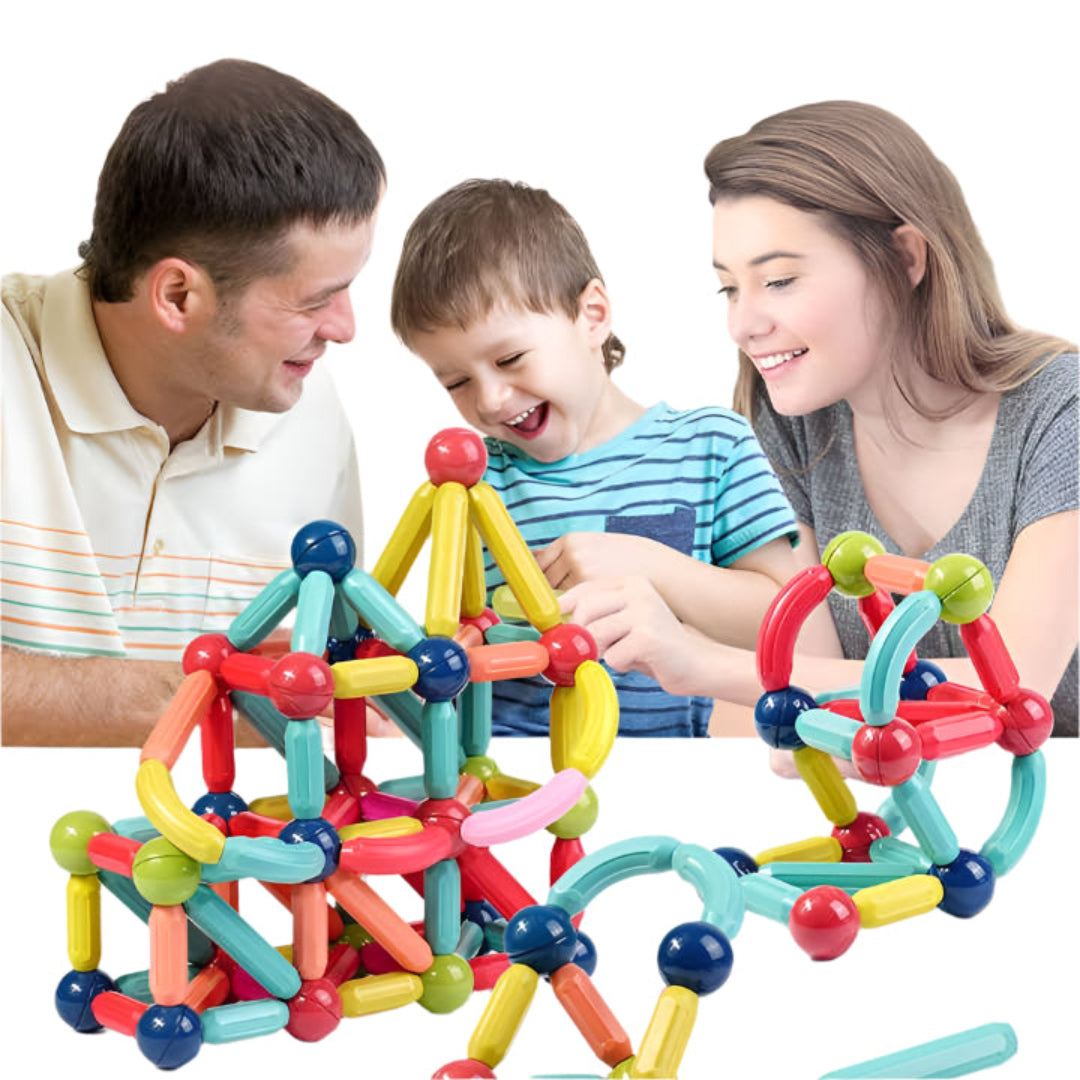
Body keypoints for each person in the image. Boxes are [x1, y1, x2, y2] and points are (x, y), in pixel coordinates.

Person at [561, 100, 1078, 741]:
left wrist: (701, 662)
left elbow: (1013, 686)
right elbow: (810, 673)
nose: (742, 324)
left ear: (906, 259)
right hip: (894, 804)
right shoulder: (794, 423)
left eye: (778, 280)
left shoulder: (1061, 410)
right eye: (730, 287)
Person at [1, 59, 386, 746]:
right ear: (178, 296)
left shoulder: (307, 407)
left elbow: (336, 678)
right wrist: (220, 698)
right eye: (316, 299)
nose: (345, 328)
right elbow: (283, 706)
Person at [390, 179, 804, 736]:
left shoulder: (713, 447)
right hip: (506, 774)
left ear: (592, 314)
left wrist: (651, 564)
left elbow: (783, 621)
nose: (489, 399)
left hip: (660, 766)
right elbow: (455, 636)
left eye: (510, 358)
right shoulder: (472, 484)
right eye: (456, 380)